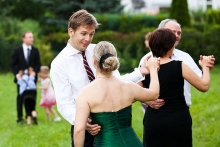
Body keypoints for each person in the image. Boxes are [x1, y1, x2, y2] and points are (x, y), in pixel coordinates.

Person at [50, 9, 153, 147]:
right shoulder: (59, 63)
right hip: (85, 128)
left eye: (91, 34)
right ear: (71, 31)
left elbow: (117, 81)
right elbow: (64, 103)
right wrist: (83, 122)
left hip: (110, 124)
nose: (88, 39)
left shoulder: (97, 50)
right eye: (83, 33)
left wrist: (141, 72)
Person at [74, 41, 160, 147]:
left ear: (94, 61)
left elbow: (78, 130)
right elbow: (154, 94)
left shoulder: (85, 93)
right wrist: (153, 70)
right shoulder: (129, 87)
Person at [139, 28, 212, 147]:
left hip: (154, 121)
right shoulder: (179, 66)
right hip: (178, 120)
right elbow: (204, 86)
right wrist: (205, 67)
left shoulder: (146, 68)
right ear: (171, 46)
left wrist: (146, 100)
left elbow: (132, 92)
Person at [139, 19, 215, 110]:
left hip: (180, 110)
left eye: (179, 33)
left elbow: (200, 80)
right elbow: (137, 87)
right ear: (160, 32)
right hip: (155, 112)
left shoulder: (185, 57)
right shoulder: (146, 59)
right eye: (172, 32)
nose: (176, 36)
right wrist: (147, 100)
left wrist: (205, 69)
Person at [11, 31, 41, 124]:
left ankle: (32, 115)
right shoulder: (17, 50)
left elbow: (38, 64)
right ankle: (20, 118)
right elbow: (12, 64)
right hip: (21, 80)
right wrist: (17, 75)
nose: (32, 39)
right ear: (23, 39)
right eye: (30, 37)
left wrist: (34, 73)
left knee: (32, 97)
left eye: (32, 37)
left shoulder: (35, 50)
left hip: (32, 79)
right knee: (20, 98)